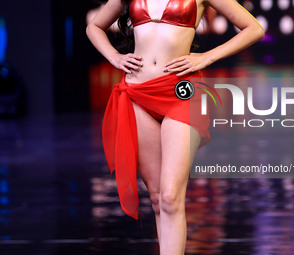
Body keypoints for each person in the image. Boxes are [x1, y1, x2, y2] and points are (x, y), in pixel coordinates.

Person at [86, 0, 264, 254]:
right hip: (138, 93)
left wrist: (207, 56)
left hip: (182, 93)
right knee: (158, 198)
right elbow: (94, 26)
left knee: (171, 196)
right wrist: (114, 56)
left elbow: (253, 28)